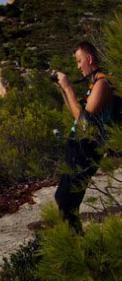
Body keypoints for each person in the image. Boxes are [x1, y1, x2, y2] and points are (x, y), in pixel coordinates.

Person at [54, 41, 114, 233]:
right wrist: (63, 89)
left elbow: (84, 122)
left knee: (67, 200)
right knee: (62, 198)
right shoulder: (94, 83)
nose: (78, 66)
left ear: (89, 59)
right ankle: (76, 245)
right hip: (78, 150)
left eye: (79, 61)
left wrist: (69, 88)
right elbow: (76, 113)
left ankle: (76, 247)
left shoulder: (102, 83)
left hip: (86, 152)